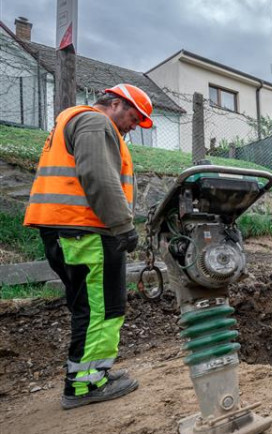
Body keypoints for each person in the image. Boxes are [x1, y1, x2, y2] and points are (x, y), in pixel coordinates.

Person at [23, 83, 153, 409]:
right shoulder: (96, 123)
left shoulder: (74, 120)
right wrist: (123, 226)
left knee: (89, 307)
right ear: (116, 105)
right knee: (103, 310)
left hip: (68, 229)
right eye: (134, 119)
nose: (133, 127)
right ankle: (84, 387)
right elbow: (97, 175)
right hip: (85, 231)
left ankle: (95, 374)